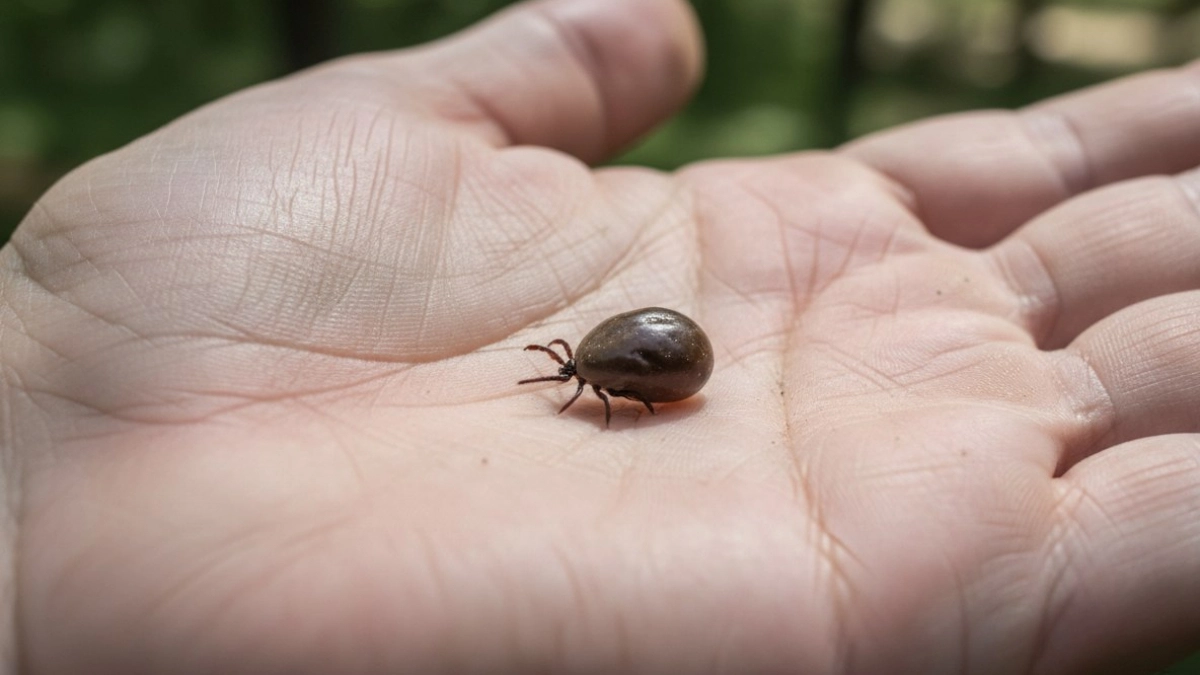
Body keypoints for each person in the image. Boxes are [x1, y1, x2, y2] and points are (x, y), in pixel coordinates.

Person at [3, 0, 1199, 672]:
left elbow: (650, 375)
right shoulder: (607, 363)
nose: (578, 382)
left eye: (581, 375)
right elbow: (650, 369)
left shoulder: (612, 370)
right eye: (583, 375)